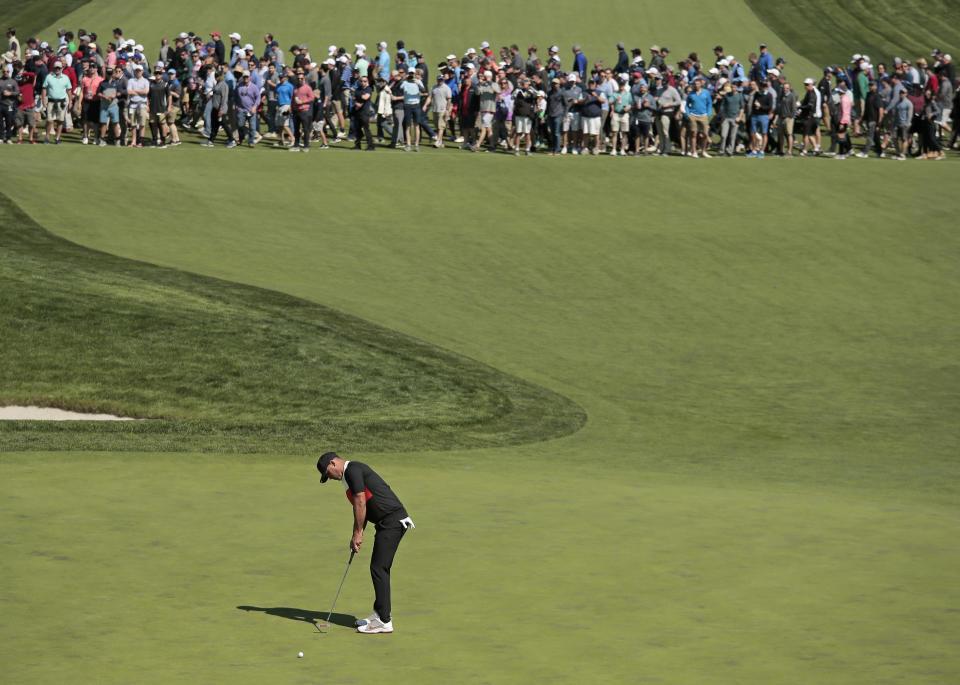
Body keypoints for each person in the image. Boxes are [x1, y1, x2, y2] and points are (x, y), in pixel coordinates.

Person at [317, 452, 414, 635]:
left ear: (332, 463)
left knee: (379, 568)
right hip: (385, 523)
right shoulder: (350, 475)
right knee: (378, 567)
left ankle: (384, 621)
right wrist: (358, 533)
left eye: (328, 474)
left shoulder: (352, 470)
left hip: (392, 522)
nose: (330, 478)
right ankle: (379, 613)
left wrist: (357, 533)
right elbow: (367, 504)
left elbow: (360, 502)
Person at [42, 60, 73, 143]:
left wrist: (70, 102)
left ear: (62, 68)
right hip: (51, 102)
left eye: (59, 68)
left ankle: (57, 138)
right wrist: (44, 100)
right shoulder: (49, 77)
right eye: (56, 67)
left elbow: (69, 90)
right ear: (54, 68)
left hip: (62, 102)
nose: (57, 69)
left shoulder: (66, 78)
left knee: (60, 121)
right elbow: (44, 89)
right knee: (49, 120)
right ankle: (47, 137)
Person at [351, 73, 375, 150]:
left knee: (366, 129)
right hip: (358, 112)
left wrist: (357, 95)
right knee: (357, 129)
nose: (363, 82)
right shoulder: (358, 89)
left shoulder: (369, 89)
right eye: (362, 81)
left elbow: (365, 97)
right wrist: (356, 103)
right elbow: (354, 99)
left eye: (365, 81)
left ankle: (371, 146)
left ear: (367, 82)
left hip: (365, 112)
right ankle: (358, 145)